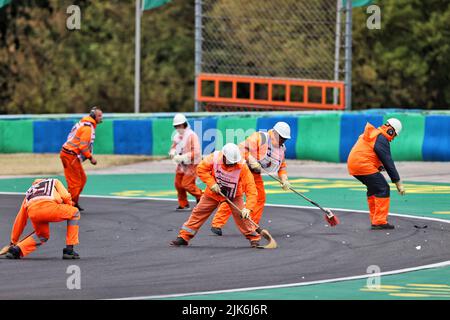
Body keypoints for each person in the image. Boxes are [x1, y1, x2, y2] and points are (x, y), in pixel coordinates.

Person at [170, 143, 261, 248]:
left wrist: (248, 208)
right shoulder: (214, 157)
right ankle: (184, 237)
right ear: (224, 156)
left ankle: (254, 239)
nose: (232, 165)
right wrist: (211, 183)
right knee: (198, 213)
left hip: (234, 195)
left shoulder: (242, 166)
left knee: (242, 217)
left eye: (234, 162)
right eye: (230, 162)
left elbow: (251, 189)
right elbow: (201, 169)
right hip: (213, 192)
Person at [210, 122, 291, 236]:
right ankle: (217, 224)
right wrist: (251, 160)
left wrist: (284, 179)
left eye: (285, 139)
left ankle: (252, 225)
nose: (283, 140)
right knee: (234, 196)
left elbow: (281, 166)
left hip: (255, 174)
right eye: (282, 137)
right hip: (241, 169)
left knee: (260, 197)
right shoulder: (260, 137)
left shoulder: (281, 149)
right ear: (275, 133)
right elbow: (241, 149)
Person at [347, 118, 406, 230]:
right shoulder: (381, 138)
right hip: (362, 164)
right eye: (394, 135)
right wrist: (398, 183)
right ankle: (379, 221)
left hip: (354, 164)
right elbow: (388, 162)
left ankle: (375, 219)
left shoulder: (375, 134)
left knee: (374, 188)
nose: (393, 138)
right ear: (391, 131)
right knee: (383, 188)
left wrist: (378, 165)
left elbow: (369, 153)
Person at [5, 178, 81, 259]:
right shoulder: (54, 181)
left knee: (42, 235)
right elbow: (66, 196)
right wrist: (68, 207)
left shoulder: (30, 192)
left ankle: (16, 250)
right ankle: (69, 250)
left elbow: (21, 219)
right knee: (75, 213)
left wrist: (13, 241)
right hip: (49, 208)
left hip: (33, 212)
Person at [60, 107, 103, 211]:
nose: (101, 118)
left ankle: (73, 202)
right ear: (93, 116)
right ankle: (68, 205)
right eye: (99, 116)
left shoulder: (86, 124)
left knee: (82, 179)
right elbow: (82, 147)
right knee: (74, 183)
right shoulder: (87, 128)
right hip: (70, 155)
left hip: (71, 155)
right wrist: (91, 158)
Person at [169, 113, 203, 211]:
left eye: (180, 125)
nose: (178, 128)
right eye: (176, 126)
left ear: (185, 124)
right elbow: (174, 147)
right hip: (181, 164)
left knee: (187, 184)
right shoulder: (177, 136)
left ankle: (201, 197)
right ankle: (183, 204)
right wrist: (172, 152)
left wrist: (184, 157)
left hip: (192, 164)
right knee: (178, 184)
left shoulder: (192, 135)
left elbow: (196, 152)